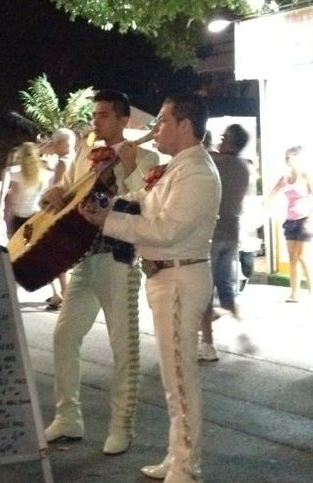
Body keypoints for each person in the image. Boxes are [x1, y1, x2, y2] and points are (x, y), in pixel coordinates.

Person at [79, 93, 221, 481]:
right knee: (173, 377)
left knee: (180, 376)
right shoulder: (178, 168)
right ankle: (177, 457)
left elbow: (168, 230)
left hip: (179, 276)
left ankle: (187, 468)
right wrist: (106, 204)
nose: (155, 129)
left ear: (185, 125)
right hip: (166, 276)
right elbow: (143, 200)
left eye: (161, 121)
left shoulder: (196, 173)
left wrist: (108, 222)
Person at [42, 89, 159, 456]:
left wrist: (127, 166)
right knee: (64, 337)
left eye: (105, 115)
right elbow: (73, 191)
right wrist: (56, 192)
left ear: (125, 120)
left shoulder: (146, 154)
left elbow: (144, 199)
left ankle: (122, 425)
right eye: (95, 115)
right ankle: (68, 417)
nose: (96, 121)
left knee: (123, 346)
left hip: (119, 258)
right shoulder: (85, 154)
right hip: (84, 256)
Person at [198, 124, 250, 362]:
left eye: (224, 137)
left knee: (204, 290)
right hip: (231, 234)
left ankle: (207, 342)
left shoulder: (217, 163)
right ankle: (242, 330)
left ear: (231, 141)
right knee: (225, 286)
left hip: (213, 233)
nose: (220, 140)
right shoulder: (244, 166)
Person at [267, 146, 313, 302]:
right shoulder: (285, 178)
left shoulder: (306, 176)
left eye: (290, 157)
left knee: (302, 257)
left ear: (298, 158)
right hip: (290, 220)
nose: (287, 160)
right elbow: (271, 195)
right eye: (286, 157)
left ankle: (311, 288)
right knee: (292, 257)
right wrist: (264, 204)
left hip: (305, 219)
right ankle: (294, 293)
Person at [45, 128, 77, 311]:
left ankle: (64, 293)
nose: (54, 146)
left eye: (56, 142)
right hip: (72, 215)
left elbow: (56, 192)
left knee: (57, 256)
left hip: (60, 215)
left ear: (66, 143)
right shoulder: (76, 159)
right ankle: (63, 294)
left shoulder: (62, 164)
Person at [4, 142, 52, 236]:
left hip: (19, 217)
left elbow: (11, 203)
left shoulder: (16, 176)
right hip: (37, 215)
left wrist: (8, 223)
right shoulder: (45, 175)